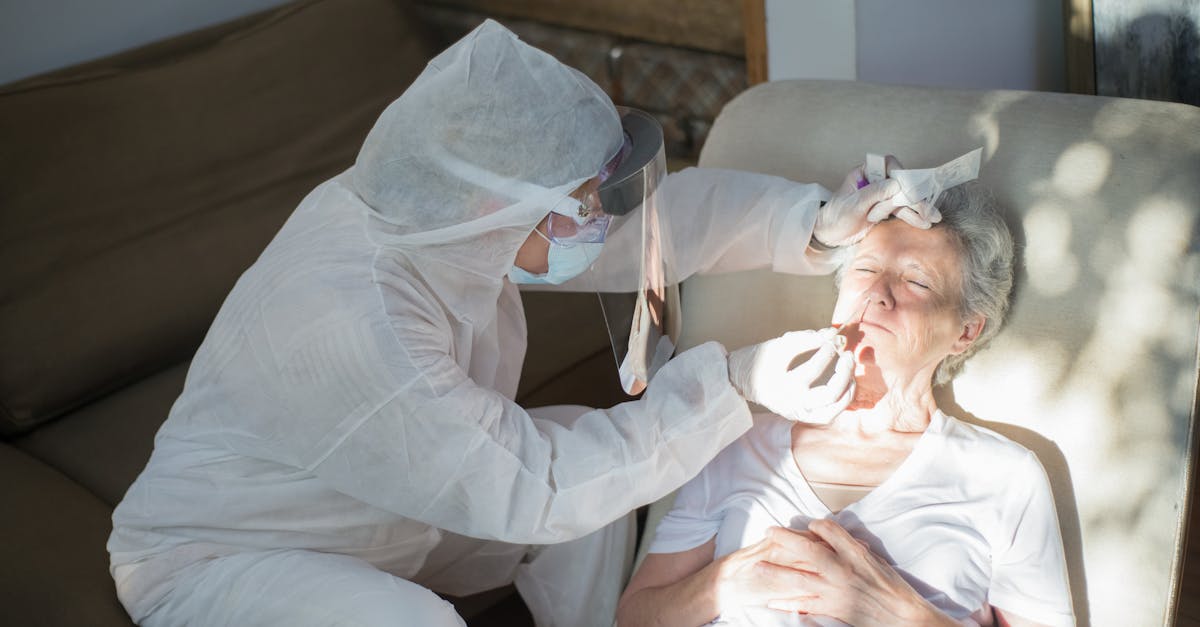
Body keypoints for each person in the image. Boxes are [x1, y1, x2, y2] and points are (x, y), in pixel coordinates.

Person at [106, 20, 932, 627]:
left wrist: (811, 223)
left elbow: (643, 228)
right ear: (492, 206)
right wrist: (735, 382)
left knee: (607, 498)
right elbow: (536, 488)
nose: (596, 219)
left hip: (388, 504)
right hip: (227, 559)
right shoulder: (356, 320)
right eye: (580, 204)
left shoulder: (442, 218)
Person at [617, 182, 1075, 627]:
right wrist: (727, 582)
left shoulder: (1005, 476)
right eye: (865, 269)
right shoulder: (736, 438)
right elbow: (632, 618)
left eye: (917, 281)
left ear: (966, 332)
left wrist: (892, 612)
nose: (878, 292)